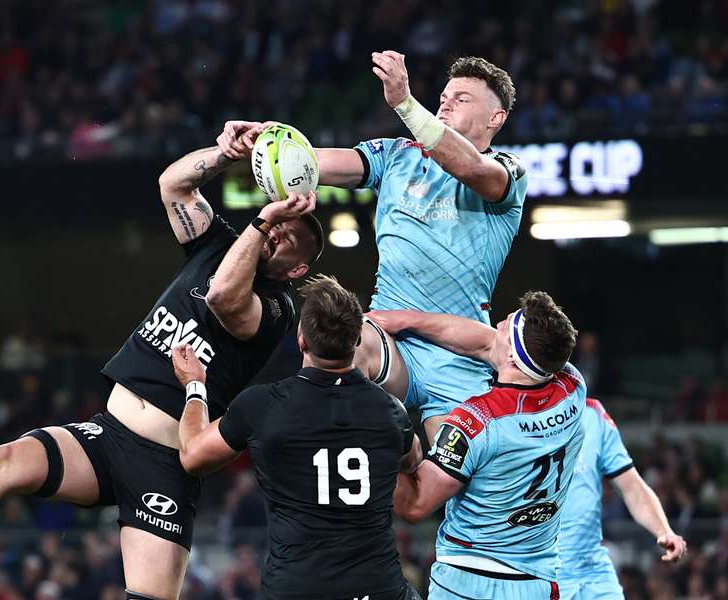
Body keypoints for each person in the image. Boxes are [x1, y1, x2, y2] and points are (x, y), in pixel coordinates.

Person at [0, 132, 325, 599]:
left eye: (289, 235)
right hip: (107, 435)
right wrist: (224, 154)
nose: (278, 230)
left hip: (163, 467)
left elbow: (222, 295)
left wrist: (262, 222)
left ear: (299, 268)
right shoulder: (217, 243)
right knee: (6, 461)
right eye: (278, 222)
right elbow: (172, 185)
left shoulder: (276, 308)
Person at [220, 54, 528, 444]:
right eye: (445, 96)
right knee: (338, 343)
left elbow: (470, 168)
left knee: (446, 486)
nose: (446, 102)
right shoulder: (397, 154)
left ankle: (406, 458)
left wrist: (405, 103)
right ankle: (317, 467)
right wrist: (265, 142)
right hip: (388, 339)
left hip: (458, 351)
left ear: (495, 118)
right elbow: (311, 162)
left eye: (462, 98)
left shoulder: (508, 170)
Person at [172, 275, 422, 600]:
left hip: (295, 588)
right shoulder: (392, 412)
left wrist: (194, 386)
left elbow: (192, 456)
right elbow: (412, 459)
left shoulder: (262, 405)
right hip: (377, 588)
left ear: (301, 339)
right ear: (358, 339)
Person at [369, 291, 582, 599]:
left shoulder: (475, 422)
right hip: (535, 582)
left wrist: (386, 444)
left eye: (504, 327)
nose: (496, 324)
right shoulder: (572, 386)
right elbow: (485, 343)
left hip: (468, 582)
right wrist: (411, 321)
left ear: (511, 357)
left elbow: (415, 505)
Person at [557, 397, 687, 599]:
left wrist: (663, 530)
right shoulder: (507, 416)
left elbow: (633, 488)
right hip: (538, 575)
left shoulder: (592, 414)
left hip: (594, 572)